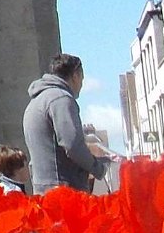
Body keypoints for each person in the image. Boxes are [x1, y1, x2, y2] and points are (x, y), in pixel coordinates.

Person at [23, 53, 106, 195]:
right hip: (64, 193)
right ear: (75, 76)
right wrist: (97, 167)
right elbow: (73, 146)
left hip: (43, 190)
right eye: (82, 79)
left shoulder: (36, 102)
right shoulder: (61, 99)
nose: (81, 85)